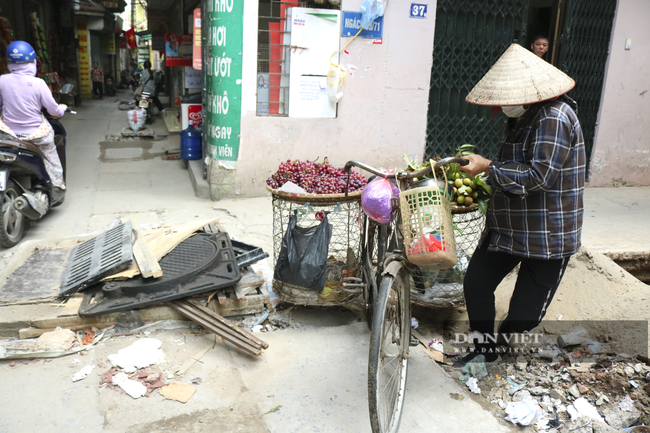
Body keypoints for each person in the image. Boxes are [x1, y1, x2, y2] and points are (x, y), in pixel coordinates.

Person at [452, 43, 585, 368]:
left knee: (523, 317)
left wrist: (487, 167)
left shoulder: (554, 118)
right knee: (476, 284)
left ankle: (504, 342)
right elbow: (515, 166)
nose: (504, 106)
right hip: (509, 229)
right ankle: (485, 350)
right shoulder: (522, 116)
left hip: (548, 235)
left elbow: (538, 177)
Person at [0, 41, 67, 191]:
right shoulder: (39, 83)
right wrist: (62, 109)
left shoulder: (2, 80)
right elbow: (53, 111)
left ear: (10, 62)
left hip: (9, 136)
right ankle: (57, 183)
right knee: (51, 154)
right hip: (36, 136)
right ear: (33, 62)